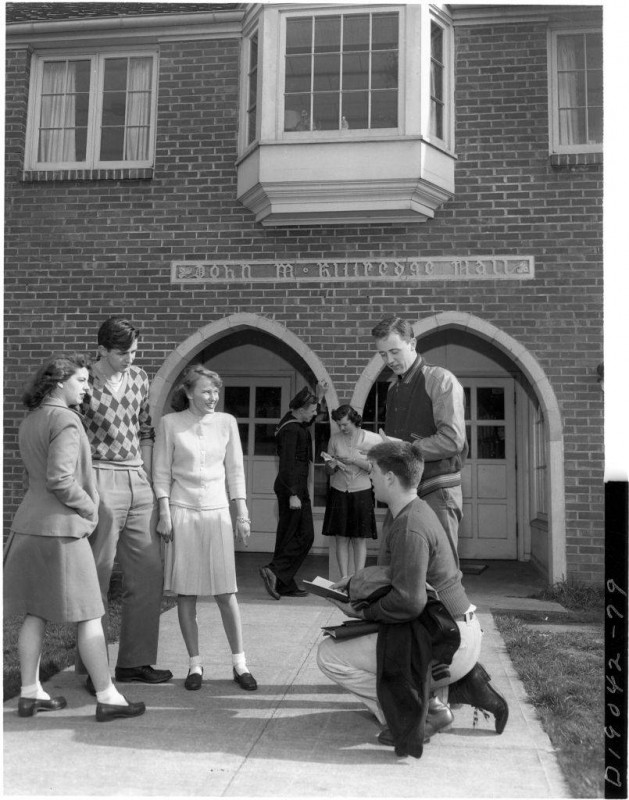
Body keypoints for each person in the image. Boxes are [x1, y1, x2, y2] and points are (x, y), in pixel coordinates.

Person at [317, 440, 508, 746]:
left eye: (374, 472)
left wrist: (362, 611)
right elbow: (401, 573)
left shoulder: (409, 525)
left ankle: (421, 709)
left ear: (390, 477)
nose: (370, 478)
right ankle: (446, 689)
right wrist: (355, 582)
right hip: (454, 627)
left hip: (449, 638)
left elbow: (409, 600)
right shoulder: (415, 510)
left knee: (329, 656)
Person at [3, 354, 145, 721]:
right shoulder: (66, 421)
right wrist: (91, 508)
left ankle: (30, 692)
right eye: (81, 381)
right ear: (58, 383)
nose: (86, 387)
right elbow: (61, 480)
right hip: (61, 532)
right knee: (90, 615)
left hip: (28, 528)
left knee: (35, 613)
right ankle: (108, 698)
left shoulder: (32, 419)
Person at [77, 317, 172, 690]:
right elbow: (73, 434)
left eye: (135, 351)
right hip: (99, 477)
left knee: (149, 573)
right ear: (101, 349)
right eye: (123, 352)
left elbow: (145, 429)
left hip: (137, 479)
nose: (131, 358)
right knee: (96, 575)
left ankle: (135, 662)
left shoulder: (139, 378)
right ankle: (93, 668)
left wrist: (147, 479)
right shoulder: (83, 380)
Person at [153, 367, 257, 691]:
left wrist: (242, 514)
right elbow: (160, 473)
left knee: (226, 592)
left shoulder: (227, 423)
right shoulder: (170, 424)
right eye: (206, 391)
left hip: (218, 512)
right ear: (188, 392)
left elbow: (235, 471)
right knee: (186, 593)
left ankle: (240, 663)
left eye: (216, 391)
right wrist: (164, 512)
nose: (213, 397)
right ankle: (194, 664)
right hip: (182, 511)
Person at [371, 317, 467, 564]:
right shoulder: (393, 389)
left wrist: (405, 449)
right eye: (383, 355)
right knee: (394, 567)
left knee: (440, 572)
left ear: (412, 343)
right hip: (403, 491)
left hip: (437, 489)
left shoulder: (440, 380)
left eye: (394, 351)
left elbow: (452, 440)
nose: (389, 360)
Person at [259, 386, 319, 600]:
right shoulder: (292, 430)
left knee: (289, 536)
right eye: (312, 410)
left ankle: (284, 582)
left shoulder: (292, 423)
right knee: (305, 536)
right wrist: (293, 493)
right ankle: (275, 571)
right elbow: (286, 464)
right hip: (292, 489)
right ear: (301, 409)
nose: (315, 413)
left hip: (295, 488)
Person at [321, 405, 381, 576]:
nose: (342, 428)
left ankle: (358, 578)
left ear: (354, 420)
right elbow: (328, 470)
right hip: (339, 491)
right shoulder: (334, 439)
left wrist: (354, 460)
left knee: (359, 537)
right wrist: (332, 465)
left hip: (361, 491)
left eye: (345, 424)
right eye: (339, 425)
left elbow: (373, 468)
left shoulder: (370, 439)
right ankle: (344, 577)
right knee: (340, 537)